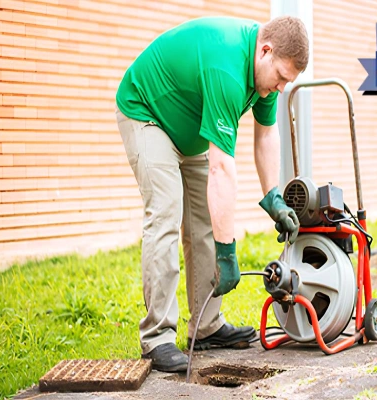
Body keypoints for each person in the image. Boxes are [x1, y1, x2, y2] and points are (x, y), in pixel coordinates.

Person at [115, 15, 309, 372]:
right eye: (281, 77)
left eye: (288, 81)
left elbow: (266, 136)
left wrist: (274, 198)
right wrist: (227, 252)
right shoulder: (229, 69)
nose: (281, 87)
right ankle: (157, 337)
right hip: (146, 112)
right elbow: (221, 169)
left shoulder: (262, 77)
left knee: (204, 221)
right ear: (265, 51)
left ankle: (205, 327)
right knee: (166, 213)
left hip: (186, 127)